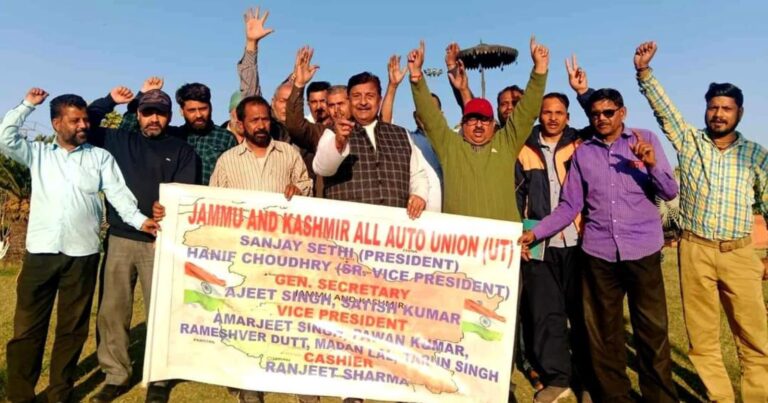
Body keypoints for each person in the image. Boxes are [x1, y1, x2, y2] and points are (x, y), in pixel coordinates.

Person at [518, 84, 680, 402]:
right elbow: (569, 205)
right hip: (599, 254)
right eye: (595, 114)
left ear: (622, 113)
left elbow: (669, 191)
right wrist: (536, 233)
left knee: (652, 332)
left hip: (642, 251)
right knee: (604, 336)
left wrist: (651, 164)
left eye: (608, 112)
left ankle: (660, 397)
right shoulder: (583, 153)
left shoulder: (644, 139)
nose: (601, 118)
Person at [2, 88, 158, 403]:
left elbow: (118, 195)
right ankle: (20, 395)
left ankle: (59, 393)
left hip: (83, 255)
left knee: (72, 330)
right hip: (41, 254)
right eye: (75, 121)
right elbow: (6, 137)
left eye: (85, 119)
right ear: (57, 123)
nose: (84, 125)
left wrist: (141, 221)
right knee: (27, 330)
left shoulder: (100, 157)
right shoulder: (38, 153)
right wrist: (28, 105)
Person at [155, 95, 313, 403]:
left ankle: (297, 380)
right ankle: (248, 384)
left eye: (265, 119)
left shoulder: (289, 153)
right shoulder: (228, 160)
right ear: (241, 123)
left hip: (283, 252)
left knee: (287, 317)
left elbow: (305, 186)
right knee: (246, 319)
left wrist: (298, 190)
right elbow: (212, 205)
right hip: (244, 255)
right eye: (254, 120)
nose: (261, 125)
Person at [635, 41, 768, 402]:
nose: (719, 114)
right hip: (695, 252)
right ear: (706, 110)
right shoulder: (689, 141)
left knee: (754, 339)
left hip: (740, 253)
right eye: (713, 107)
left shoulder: (757, 156)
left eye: (726, 108)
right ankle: (720, 398)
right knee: (703, 340)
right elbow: (665, 112)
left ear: (740, 112)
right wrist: (645, 73)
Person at [85, 84, 198, 403]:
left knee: (162, 311)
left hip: (160, 241)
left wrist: (168, 207)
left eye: (160, 113)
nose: (153, 119)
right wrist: (110, 100)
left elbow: (185, 195)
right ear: (137, 114)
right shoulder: (119, 140)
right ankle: (116, 374)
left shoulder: (183, 151)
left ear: (169, 116)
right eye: (147, 112)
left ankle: (160, 376)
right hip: (120, 237)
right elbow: (85, 122)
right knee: (112, 311)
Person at [408, 37, 548, 221]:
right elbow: (430, 117)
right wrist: (416, 77)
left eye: (484, 120)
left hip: (502, 237)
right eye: (473, 119)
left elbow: (527, 112)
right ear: (463, 122)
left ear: (493, 124)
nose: (479, 125)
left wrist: (540, 69)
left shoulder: (506, 143)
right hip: (460, 237)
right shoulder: (450, 146)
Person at [312, 71, 429, 219]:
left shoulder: (401, 134)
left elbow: (418, 174)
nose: (363, 102)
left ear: (379, 100)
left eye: (370, 96)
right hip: (349, 227)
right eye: (356, 96)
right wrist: (339, 143)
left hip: (394, 226)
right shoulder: (333, 133)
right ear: (349, 100)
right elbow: (321, 168)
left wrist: (419, 194)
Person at [120, 78, 236, 185]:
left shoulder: (225, 138)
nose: (198, 115)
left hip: (210, 199)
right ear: (181, 111)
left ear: (211, 107)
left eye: (203, 109)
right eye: (191, 110)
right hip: (172, 198)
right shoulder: (172, 135)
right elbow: (127, 131)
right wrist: (144, 94)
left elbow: (234, 174)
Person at [379, 53, 443, 212]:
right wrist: (392, 87)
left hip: (447, 221)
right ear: (415, 116)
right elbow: (384, 125)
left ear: (441, 114)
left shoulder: (451, 143)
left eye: (432, 111)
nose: (427, 115)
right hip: (415, 218)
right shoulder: (408, 139)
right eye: (423, 110)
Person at [223, 6, 275, 144]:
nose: (239, 115)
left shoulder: (262, 139)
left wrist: (252, 44)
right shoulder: (219, 139)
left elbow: (250, 88)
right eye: (237, 111)